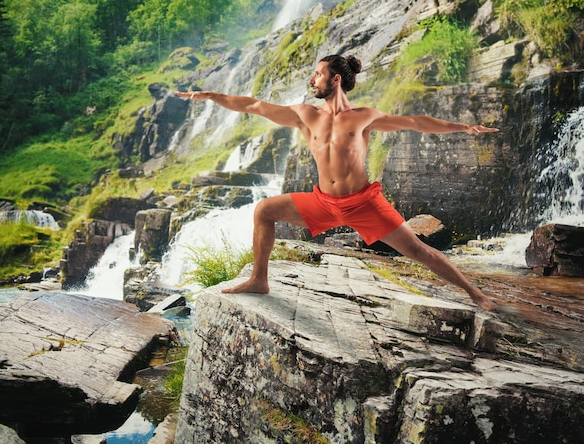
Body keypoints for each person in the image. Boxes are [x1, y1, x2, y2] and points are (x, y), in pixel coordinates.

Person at [176, 54, 499, 311]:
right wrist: (210, 96)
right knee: (264, 210)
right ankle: (259, 279)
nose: (311, 80)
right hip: (323, 203)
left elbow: (416, 123)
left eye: (317, 74)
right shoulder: (306, 114)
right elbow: (253, 105)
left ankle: (476, 295)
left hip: (364, 203)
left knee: (417, 249)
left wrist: (463, 127)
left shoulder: (364, 116)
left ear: (336, 79)